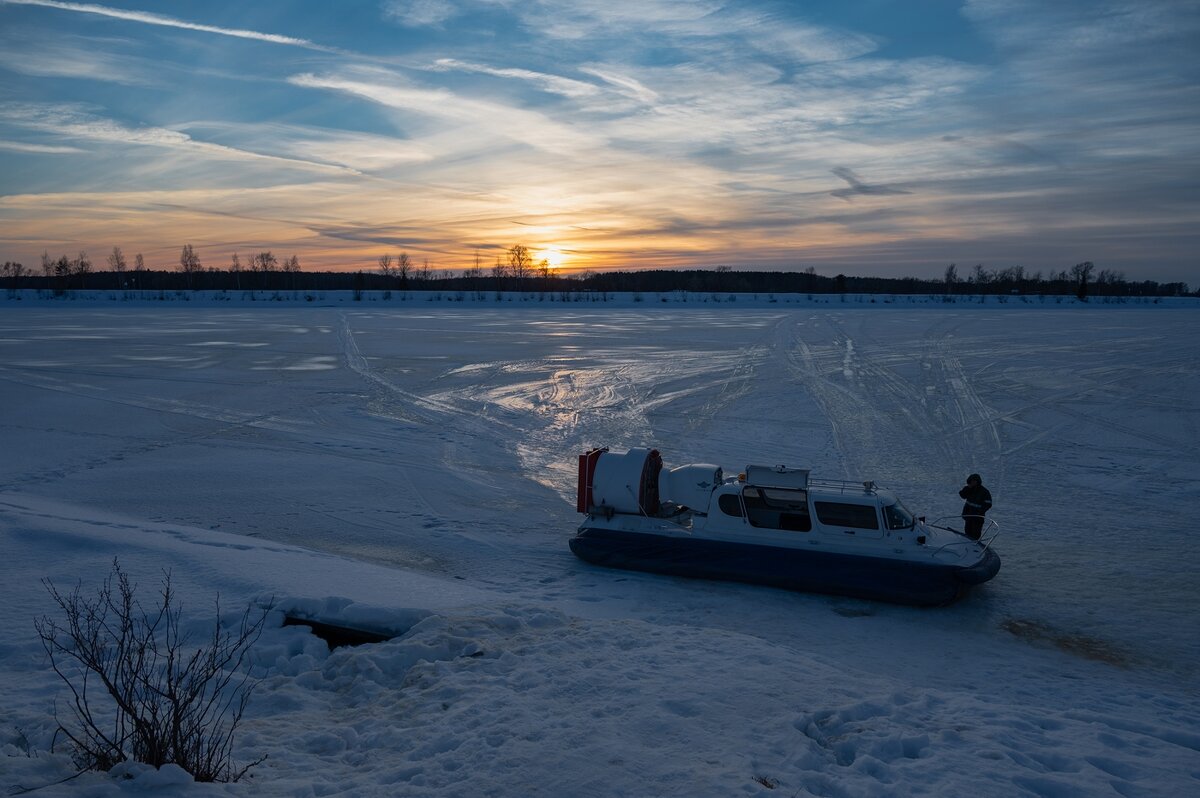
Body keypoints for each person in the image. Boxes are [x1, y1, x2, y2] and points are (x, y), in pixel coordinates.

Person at [959, 473, 992, 541]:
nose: (971, 483)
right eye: (970, 482)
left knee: (975, 534)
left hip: (977, 517)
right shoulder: (969, 489)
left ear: (976, 481)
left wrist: (980, 511)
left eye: (973, 481)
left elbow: (988, 504)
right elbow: (962, 495)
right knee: (967, 531)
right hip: (968, 515)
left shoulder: (984, 491)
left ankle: (974, 546)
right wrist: (967, 488)